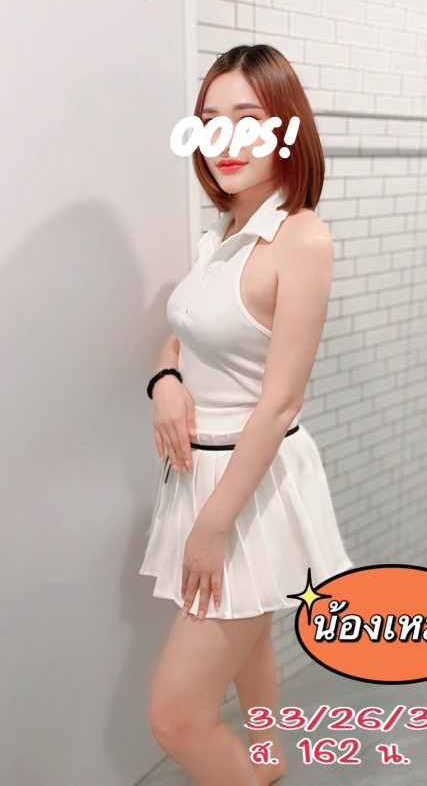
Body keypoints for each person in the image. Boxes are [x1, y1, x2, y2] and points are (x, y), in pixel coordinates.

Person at [139, 44, 353, 786]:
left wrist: (212, 527)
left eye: (248, 118)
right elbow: (186, 326)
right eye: (208, 120)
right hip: (203, 475)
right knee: (251, 638)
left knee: (175, 718)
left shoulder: (301, 237)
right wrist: (165, 378)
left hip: (245, 488)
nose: (222, 139)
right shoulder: (225, 230)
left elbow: (282, 400)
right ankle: (266, 760)